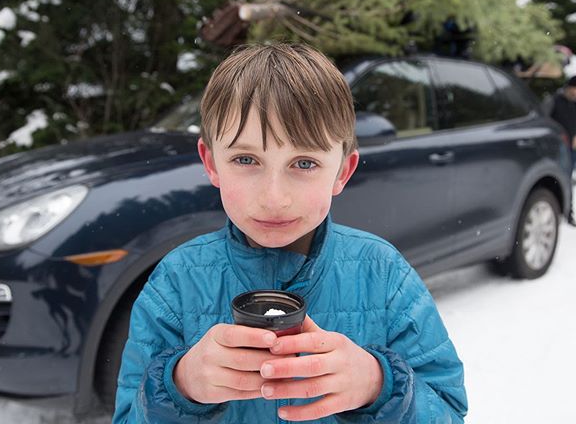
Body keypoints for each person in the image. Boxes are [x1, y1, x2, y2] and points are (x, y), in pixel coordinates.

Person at [113, 43, 468, 423]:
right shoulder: (176, 282)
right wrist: (177, 386)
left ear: (342, 172)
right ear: (211, 162)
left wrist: (380, 386)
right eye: (246, 159)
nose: (274, 198)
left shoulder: (383, 275)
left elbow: (447, 410)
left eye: (304, 162)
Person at [549, 75, 576, 177]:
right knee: (559, 174)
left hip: (572, 147)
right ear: (570, 88)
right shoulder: (554, 100)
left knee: (568, 174)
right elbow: (545, 120)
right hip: (557, 145)